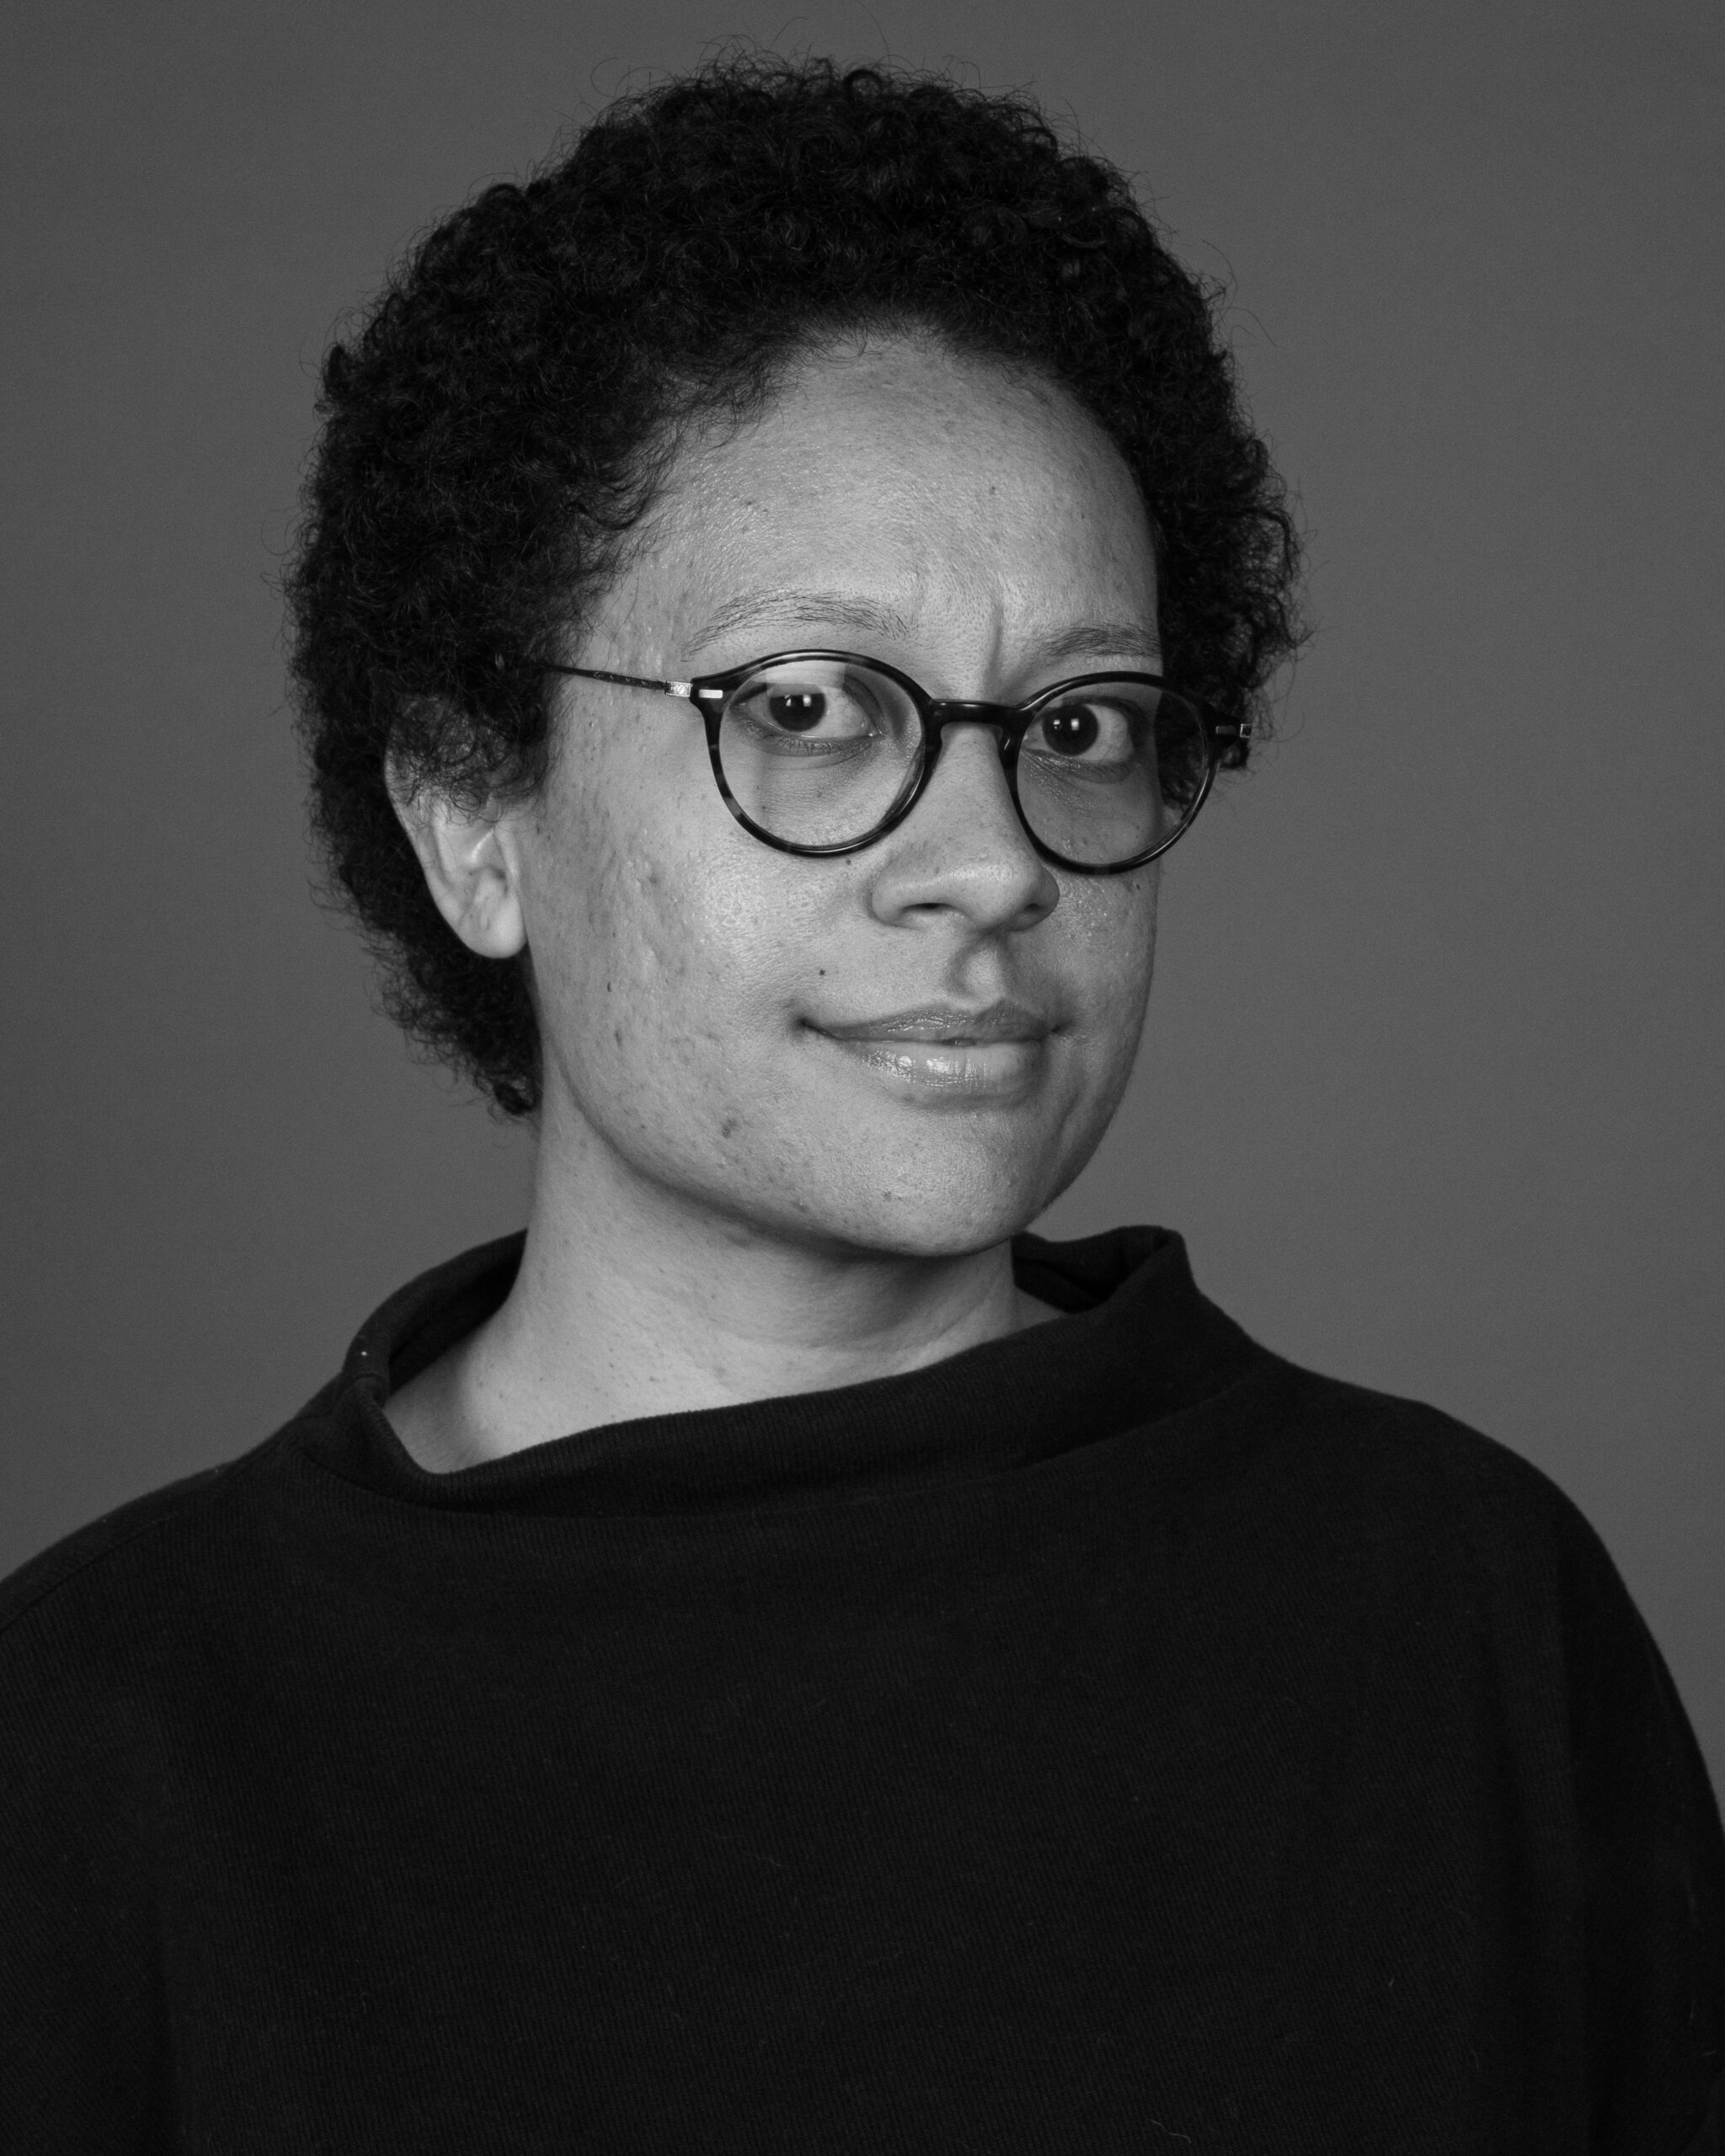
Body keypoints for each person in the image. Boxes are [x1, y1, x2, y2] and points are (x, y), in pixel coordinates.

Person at [3, 54, 1720, 2152]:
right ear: (470, 814)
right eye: (808, 705)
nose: (990, 861)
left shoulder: (1461, 1614)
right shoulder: (98, 1742)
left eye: (1078, 723)